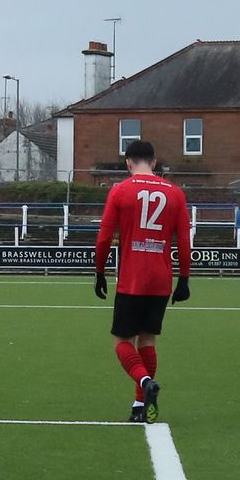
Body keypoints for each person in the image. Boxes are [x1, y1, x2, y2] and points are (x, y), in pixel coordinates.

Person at [93, 139, 192, 424]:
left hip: (132, 278)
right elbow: (184, 240)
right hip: (161, 279)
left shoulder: (120, 191)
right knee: (148, 339)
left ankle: (145, 381)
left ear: (128, 162)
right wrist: (184, 278)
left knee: (122, 340)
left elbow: (103, 237)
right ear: (155, 161)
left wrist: (99, 272)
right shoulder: (175, 193)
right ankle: (139, 405)